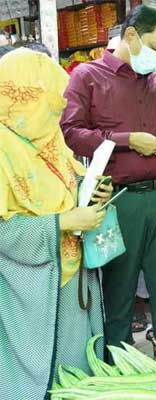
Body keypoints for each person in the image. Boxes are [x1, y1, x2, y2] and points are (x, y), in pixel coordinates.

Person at [61, 5, 156, 348]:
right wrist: (128, 141)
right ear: (132, 35)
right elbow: (71, 133)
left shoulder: (155, 82)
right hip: (119, 200)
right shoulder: (87, 76)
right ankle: (119, 365)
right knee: (119, 288)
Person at [0, 48, 113, 399]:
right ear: (21, 98)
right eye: (47, 103)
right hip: (30, 286)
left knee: (77, 364)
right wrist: (63, 221)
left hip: (72, 275)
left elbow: (66, 180)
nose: (56, 111)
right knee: (35, 372)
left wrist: (91, 189)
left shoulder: (48, 138)